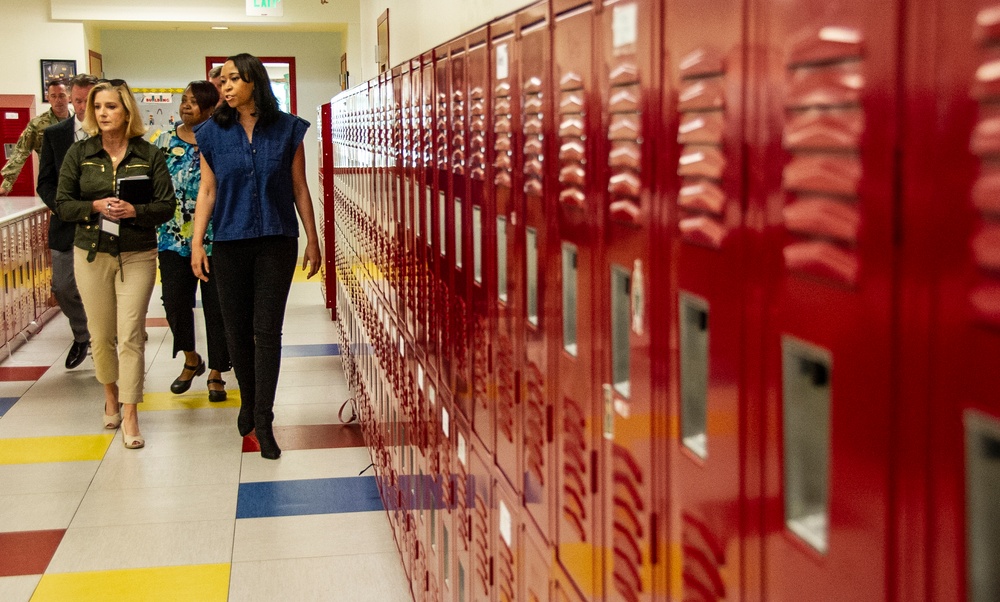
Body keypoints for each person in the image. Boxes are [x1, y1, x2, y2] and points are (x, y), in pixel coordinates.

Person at [191, 53, 321, 459]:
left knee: (266, 331)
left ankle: (263, 419)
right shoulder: (210, 133)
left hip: (276, 242)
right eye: (222, 81)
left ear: (254, 82)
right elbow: (207, 191)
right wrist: (197, 243)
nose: (225, 87)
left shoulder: (287, 130)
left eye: (233, 79)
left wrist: (313, 240)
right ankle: (248, 400)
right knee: (237, 332)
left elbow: (299, 187)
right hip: (229, 242)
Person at [55, 80, 175, 449]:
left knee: (130, 334)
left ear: (126, 112)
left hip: (137, 253)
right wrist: (95, 205)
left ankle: (130, 411)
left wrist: (134, 210)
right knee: (101, 334)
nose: (104, 113)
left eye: (111, 107)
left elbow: (166, 205)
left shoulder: (149, 154)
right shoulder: (80, 153)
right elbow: (63, 204)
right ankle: (109, 393)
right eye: (99, 107)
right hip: (91, 253)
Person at [153, 81, 230, 401]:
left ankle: (216, 371)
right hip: (172, 238)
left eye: (194, 102)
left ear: (211, 109)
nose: (186, 106)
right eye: (184, 100)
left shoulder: (221, 141)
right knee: (174, 302)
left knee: (218, 307)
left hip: (214, 238)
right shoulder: (164, 141)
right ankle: (191, 358)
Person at [37, 74, 99, 369]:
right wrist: (63, 207)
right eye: (78, 101)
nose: (84, 106)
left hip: (102, 224)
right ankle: (82, 334)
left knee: (102, 286)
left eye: (89, 100)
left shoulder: (109, 132)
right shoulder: (55, 134)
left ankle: (104, 338)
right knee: (63, 287)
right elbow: (45, 182)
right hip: (65, 223)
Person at [0, 77, 71, 195]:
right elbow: (21, 152)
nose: (58, 100)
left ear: (69, 97)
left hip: (77, 180)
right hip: (52, 182)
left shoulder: (78, 120)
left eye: (62, 95)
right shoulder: (37, 124)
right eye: (53, 96)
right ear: (48, 98)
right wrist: (7, 184)